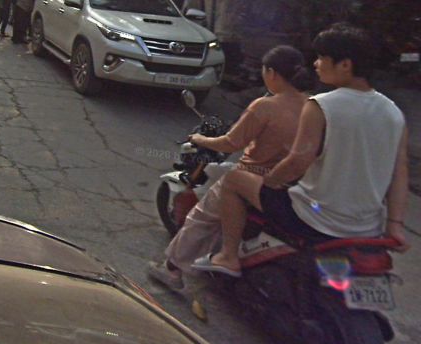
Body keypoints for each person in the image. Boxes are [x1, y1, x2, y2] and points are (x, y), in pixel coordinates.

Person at [192, 23, 410, 278]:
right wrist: (394, 225)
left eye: (322, 58)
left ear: (345, 65)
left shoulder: (321, 105)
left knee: (233, 180)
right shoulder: (394, 113)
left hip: (313, 219)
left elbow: (298, 161)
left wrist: (268, 182)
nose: (316, 64)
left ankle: (228, 256)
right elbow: (400, 173)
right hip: (367, 229)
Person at [148, 45, 309, 290]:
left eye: (264, 71)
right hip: (291, 185)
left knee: (201, 218)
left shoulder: (265, 106)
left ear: (272, 73)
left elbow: (231, 143)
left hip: (251, 178)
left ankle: (172, 269)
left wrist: (200, 139)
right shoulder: (312, 107)